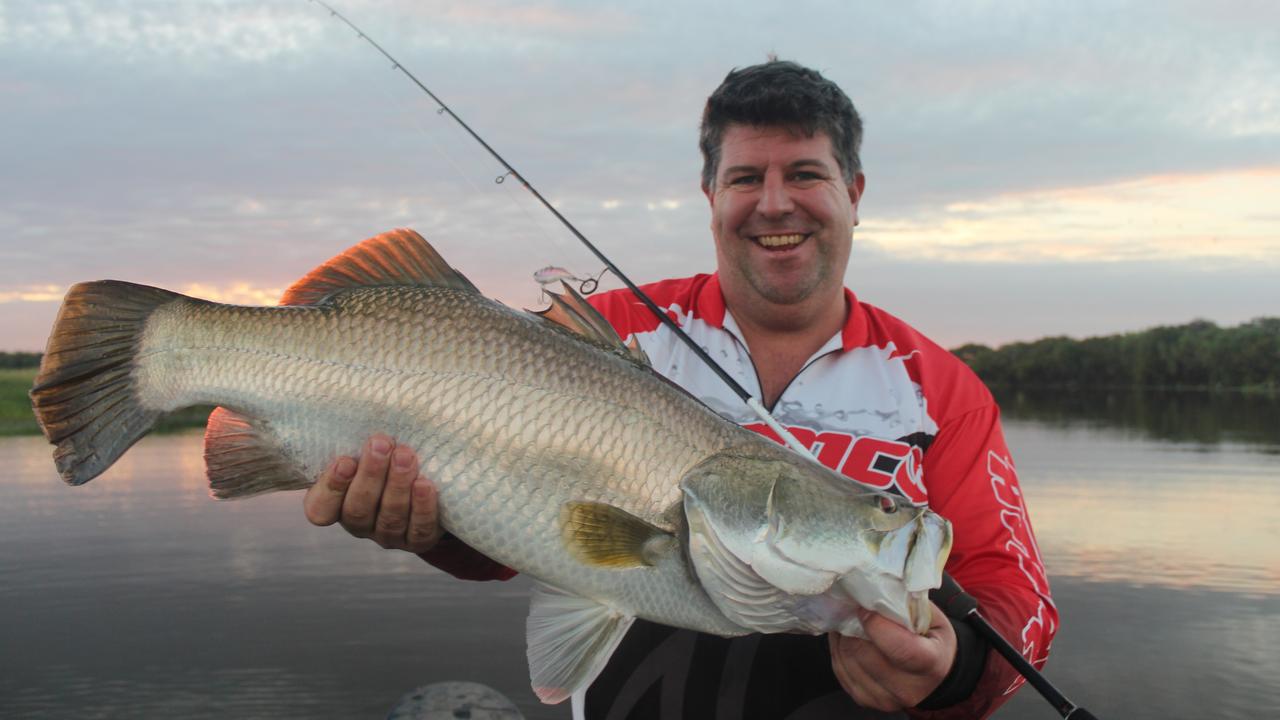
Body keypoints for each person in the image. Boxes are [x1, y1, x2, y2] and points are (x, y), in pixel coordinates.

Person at [302, 60, 1057, 719]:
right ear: (709, 194)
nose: (773, 204)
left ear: (853, 191)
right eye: (744, 178)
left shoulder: (940, 389)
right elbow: (507, 540)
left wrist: (953, 668)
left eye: (804, 174)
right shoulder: (610, 335)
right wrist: (427, 528)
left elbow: (1015, 597)